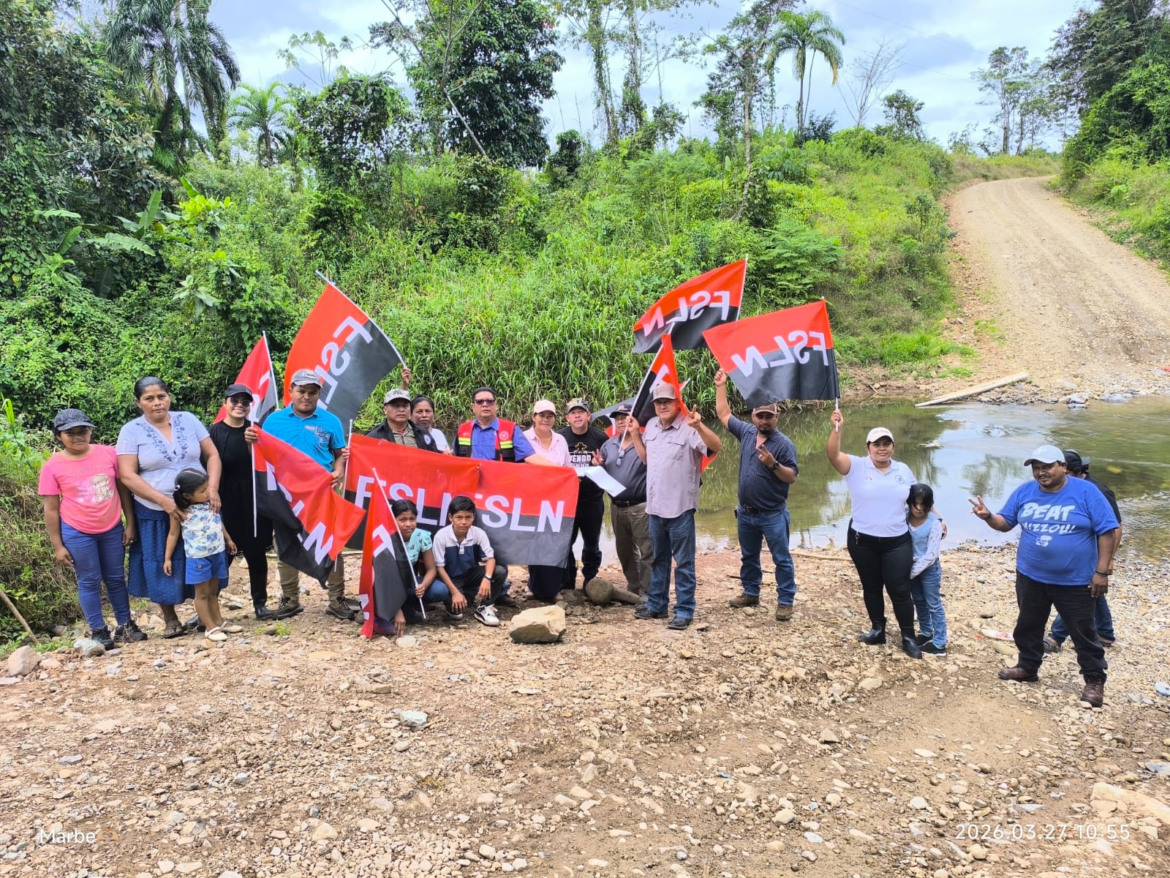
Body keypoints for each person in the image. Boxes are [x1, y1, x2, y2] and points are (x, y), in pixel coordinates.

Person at [970, 445, 1118, 708]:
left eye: (1047, 466)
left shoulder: (1086, 492)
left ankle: (1094, 681)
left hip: (1076, 580)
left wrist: (1102, 572)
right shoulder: (1025, 491)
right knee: (1028, 625)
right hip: (1031, 575)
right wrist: (988, 517)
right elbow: (1005, 523)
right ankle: (1028, 667)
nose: (1041, 472)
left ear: (1062, 466)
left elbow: (1108, 531)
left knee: (1083, 631)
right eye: (1036, 468)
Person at [117, 377, 222, 640]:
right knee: (159, 560)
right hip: (153, 508)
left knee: (203, 556)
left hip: (196, 506)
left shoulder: (188, 419)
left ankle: (205, 615)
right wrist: (164, 501)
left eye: (161, 396)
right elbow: (127, 475)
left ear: (169, 396)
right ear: (138, 402)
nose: (156, 403)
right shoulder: (131, 431)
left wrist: (213, 489)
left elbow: (212, 455)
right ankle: (171, 619)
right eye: (149, 398)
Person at [246, 369, 351, 621]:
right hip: (285, 495)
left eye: (312, 392)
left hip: (321, 493)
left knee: (330, 544)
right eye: (301, 391)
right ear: (291, 391)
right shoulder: (273, 421)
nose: (306, 396)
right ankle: (290, 599)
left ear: (318, 394)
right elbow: (263, 454)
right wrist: (251, 439)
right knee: (286, 544)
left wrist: (338, 471)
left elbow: (339, 455)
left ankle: (336, 599)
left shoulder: (331, 421)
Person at [40, 408, 146, 649]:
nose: (78, 436)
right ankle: (98, 630)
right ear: (59, 436)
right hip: (78, 531)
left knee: (116, 578)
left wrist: (129, 523)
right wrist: (58, 545)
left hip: (111, 528)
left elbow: (123, 489)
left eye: (83, 431)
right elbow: (51, 509)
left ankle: (125, 626)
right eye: (71, 433)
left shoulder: (108, 454)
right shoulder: (52, 466)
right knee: (89, 580)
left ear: (90, 431)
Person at [826, 410, 924, 659]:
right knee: (871, 586)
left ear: (893, 446)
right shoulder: (856, 466)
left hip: (897, 541)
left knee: (900, 589)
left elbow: (919, 497)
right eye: (877, 444)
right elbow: (833, 455)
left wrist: (938, 518)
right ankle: (878, 629)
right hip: (862, 540)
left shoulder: (902, 469)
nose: (882, 448)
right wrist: (837, 428)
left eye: (886, 444)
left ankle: (908, 636)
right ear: (868, 447)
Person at [633, 383, 723, 630]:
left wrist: (699, 426)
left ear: (677, 402)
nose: (662, 405)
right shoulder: (650, 426)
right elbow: (646, 460)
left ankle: (684, 611)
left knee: (684, 563)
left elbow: (716, 447)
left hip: (681, 508)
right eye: (658, 402)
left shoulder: (689, 426)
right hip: (655, 508)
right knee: (658, 560)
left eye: (667, 401)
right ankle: (657, 606)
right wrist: (633, 435)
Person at [714, 371, 800, 622]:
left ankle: (785, 600)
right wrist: (721, 386)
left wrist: (773, 464)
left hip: (773, 514)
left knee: (781, 559)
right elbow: (724, 415)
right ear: (753, 416)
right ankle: (751, 592)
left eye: (769, 416)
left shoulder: (784, 444)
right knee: (749, 556)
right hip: (746, 513)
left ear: (777, 416)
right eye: (760, 416)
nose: (764, 420)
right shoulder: (747, 433)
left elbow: (792, 477)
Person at [208, 384, 281, 620]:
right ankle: (208, 607)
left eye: (245, 402)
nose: (240, 405)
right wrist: (211, 493)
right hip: (224, 498)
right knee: (222, 553)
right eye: (235, 401)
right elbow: (208, 465)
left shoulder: (256, 430)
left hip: (254, 498)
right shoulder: (214, 432)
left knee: (256, 551)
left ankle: (260, 603)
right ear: (225, 403)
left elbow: (268, 464)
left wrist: (254, 444)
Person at [1045, 449, 1121, 651]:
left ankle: (1056, 637)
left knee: (1080, 590)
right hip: (1082, 549)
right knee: (1095, 590)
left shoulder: (1097, 491)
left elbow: (1116, 527)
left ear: (1069, 470)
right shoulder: (1069, 488)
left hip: (1095, 552)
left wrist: (1109, 559)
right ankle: (1105, 633)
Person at [164, 469, 240, 642]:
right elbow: (173, 535)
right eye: (203, 491)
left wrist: (228, 540)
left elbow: (218, 523)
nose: (208, 493)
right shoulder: (181, 512)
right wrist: (167, 558)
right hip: (198, 557)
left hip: (217, 553)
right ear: (187, 496)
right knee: (202, 594)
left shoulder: (210, 504)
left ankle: (218, 621)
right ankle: (209, 627)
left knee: (214, 591)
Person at [593, 403, 651, 599]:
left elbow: (649, 462)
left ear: (633, 420)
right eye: (617, 418)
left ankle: (648, 591)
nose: (620, 421)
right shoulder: (608, 445)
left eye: (624, 417)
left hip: (640, 506)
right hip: (616, 507)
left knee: (646, 551)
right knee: (625, 551)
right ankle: (634, 588)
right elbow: (604, 472)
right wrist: (598, 465)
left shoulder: (645, 441)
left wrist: (635, 435)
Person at [432, 495, 511, 627]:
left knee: (500, 571)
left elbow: (490, 558)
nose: (464, 522)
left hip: (470, 574)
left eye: (468, 517)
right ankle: (462, 596)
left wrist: (487, 578)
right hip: (451, 579)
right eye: (459, 517)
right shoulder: (441, 536)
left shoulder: (478, 533)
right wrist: (455, 592)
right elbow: (439, 568)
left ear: (473, 517)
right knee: (457, 613)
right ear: (450, 517)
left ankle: (485, 607)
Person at [523, 401, 572, 603]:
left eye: (550, 416)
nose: (545, 419)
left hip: (557, 500)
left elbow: (568, 467)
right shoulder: (524, 438)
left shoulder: (560, 439)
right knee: (535, 543)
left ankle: (554, 588)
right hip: (531, 499)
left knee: (556, 543)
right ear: (533, 416)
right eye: (541, 415)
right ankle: (533, 585)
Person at [558, 398, 609, 591]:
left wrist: (601, 465)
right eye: (573, 413)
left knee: (592, 543)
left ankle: (590, 579)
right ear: (567, 418)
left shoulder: (601, 438)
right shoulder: (559, 438)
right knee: (565, 542)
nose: (577, 415)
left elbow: (611, 468)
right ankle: (568, 580)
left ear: (589, 416)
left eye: (581, 412)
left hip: (592, 501)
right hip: (567, 502)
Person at [392, 498, 459, 625]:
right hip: (387, 585)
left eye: (412, 519)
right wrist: (396, 610)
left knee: (440, 590)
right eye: (402, 520)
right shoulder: (386, 537)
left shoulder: (422, 536)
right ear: (393, 519)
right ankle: (391, 609)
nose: (408, 524)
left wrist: (423, 586)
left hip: (408, 582)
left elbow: (431, 569)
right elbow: (381, 578)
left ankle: (408, 606)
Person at [454, 386, 543, 464]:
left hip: (500, 481)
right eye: (480, 401)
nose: (485, 404)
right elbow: (454, 456)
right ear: (473, 407)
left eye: (490, 401)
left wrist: (556, 470)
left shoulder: (511, 429)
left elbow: (530, 457)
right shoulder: (463, 429)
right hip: (471, 481)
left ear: (496, 406)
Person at [908, 483, 947, 656]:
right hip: (911, 566)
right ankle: (926, 631)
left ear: (929, 505)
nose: (918, 508)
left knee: (933, 604)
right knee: (918, 600)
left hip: (929, 568)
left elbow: (931, 554)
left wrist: (910, 572)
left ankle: (939, 643)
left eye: (923, 505)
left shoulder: (935, 524)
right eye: (915, 504)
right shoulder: (904, 518)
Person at [367, 388, 439, 452]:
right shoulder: (374, 437)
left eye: (405, 405)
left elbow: (435, 457)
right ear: (385, 410)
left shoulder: (422, 432)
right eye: (396, 405)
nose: (401, 409)